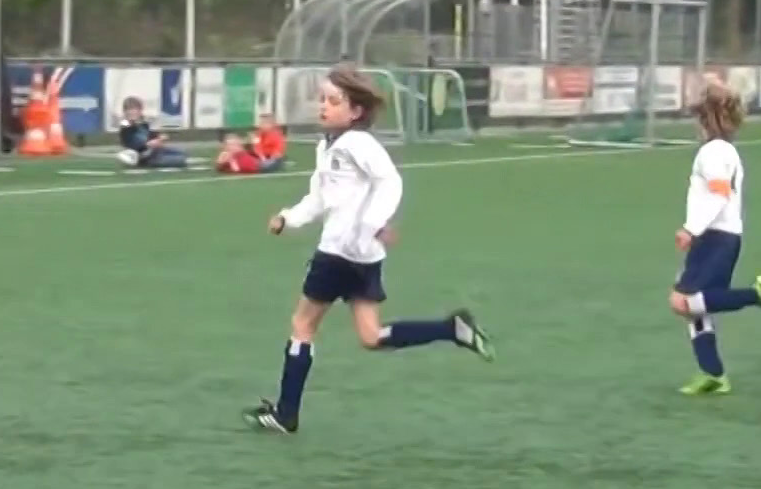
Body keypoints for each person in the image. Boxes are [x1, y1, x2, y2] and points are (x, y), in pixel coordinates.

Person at [246, 64, 495, 435]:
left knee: (302, 325)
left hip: (338, 253)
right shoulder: (328, 146)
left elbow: (389, 181)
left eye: (333, 101)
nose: (324, 107)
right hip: (363, 257)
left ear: (356, 111)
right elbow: (319, 199)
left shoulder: (356, 144)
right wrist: (289, 217)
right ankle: (451, 329)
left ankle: (286, 414)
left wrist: (373, 223)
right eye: (322, 100)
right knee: (371, 337)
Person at [667, 81, 761, 396]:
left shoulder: (713, 153)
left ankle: (756, 296)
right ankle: (713, 374)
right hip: (719, 237)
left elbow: (719, 195)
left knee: (683, 302)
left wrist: (691, 228)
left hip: (715, 237)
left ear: (706, 119)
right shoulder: (725, 151)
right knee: (695, 306)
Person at [115, 96, 187, 169]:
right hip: (144, 157)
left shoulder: (142, 123)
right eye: (130, 110)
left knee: (182, 154)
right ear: (125, 112)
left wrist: (159, 137)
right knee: (179, 160)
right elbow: (134, 143)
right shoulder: (126, 126)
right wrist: (149, 144)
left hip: (154, 152)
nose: (133, 112)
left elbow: (150, 135)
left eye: (135, 109)